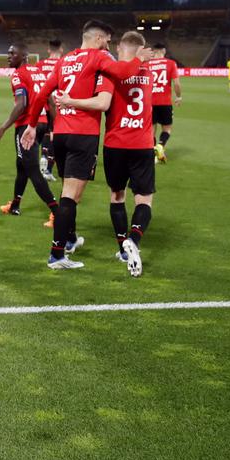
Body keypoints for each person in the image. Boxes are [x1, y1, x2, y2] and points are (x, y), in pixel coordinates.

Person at [20, 20, 149, 270]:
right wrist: (139, 60)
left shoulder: (65, 60)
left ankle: (69, 240)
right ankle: (57, 255)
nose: (109, 45)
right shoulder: (97, 57)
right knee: (71, 197)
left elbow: (41, 93)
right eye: (108, 40)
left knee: (68, 193)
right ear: (99, 39)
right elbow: (123, 73)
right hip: (83, 135)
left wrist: (32, 124)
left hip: (61, 135)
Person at [54, 31, 156, 278]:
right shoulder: (149, 74)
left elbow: (106, 98)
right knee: (144, 199)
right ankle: (134, 238)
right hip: (142, 143)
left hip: (115, 143)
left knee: (117, 196)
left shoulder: (111, 73)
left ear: (122, 47)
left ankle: (123, 248)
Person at [0, 44, 57, 227]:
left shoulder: (19, 75)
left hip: (27, 127)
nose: (8, 55)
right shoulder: (39, 73)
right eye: (8, 52)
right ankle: (15, 204)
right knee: (22, 165)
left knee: (32, 169)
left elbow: (21, 104)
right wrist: (52, 127)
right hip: (41, 123)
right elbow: (50, 101)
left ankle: (57, 212)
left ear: (24, 56)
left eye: (13, 53)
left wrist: (2, 129)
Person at [148, 44, 182, 163]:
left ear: (153, 51)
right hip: (165, 102)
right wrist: (178, 96)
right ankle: (160, 146)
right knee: (167, 128)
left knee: (151, 129)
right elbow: (176, 84)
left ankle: (152, 155)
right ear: (164, 51)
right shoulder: (170, 63)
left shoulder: (147, 64)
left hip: (149, 102)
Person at [36, 40, 64, 179]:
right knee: (54, 134)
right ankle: (48, 166)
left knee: (45, 133)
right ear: (61, 49)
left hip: (43, 104)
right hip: (58, 104)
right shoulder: (63, 63)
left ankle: (42, 156)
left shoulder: (39, 65)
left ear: (48, 50)